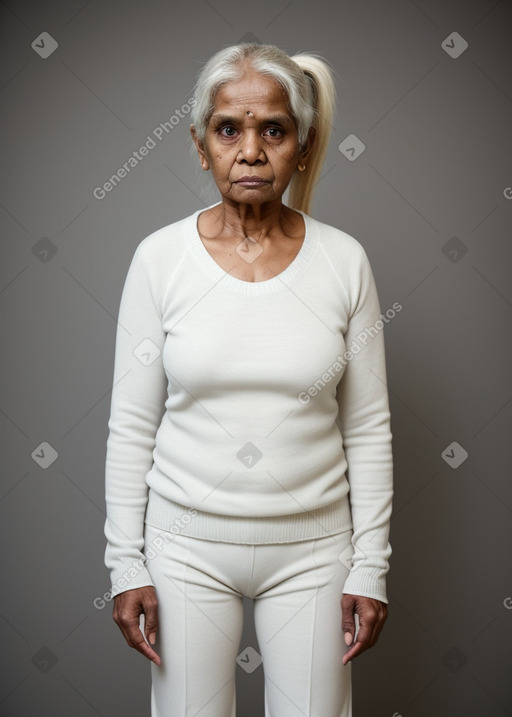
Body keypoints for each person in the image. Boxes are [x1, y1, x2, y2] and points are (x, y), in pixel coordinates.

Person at [104, 42, 394, 717]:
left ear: (303, 141)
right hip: (184, 549)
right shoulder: (159, 261)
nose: (252, 150)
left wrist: (369, 566)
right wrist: (127, 564)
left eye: (274, 129)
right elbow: (132, 425)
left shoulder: (345, 262)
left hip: (316, 552)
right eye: (229, 128)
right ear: (202, 145)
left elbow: (368, 426)